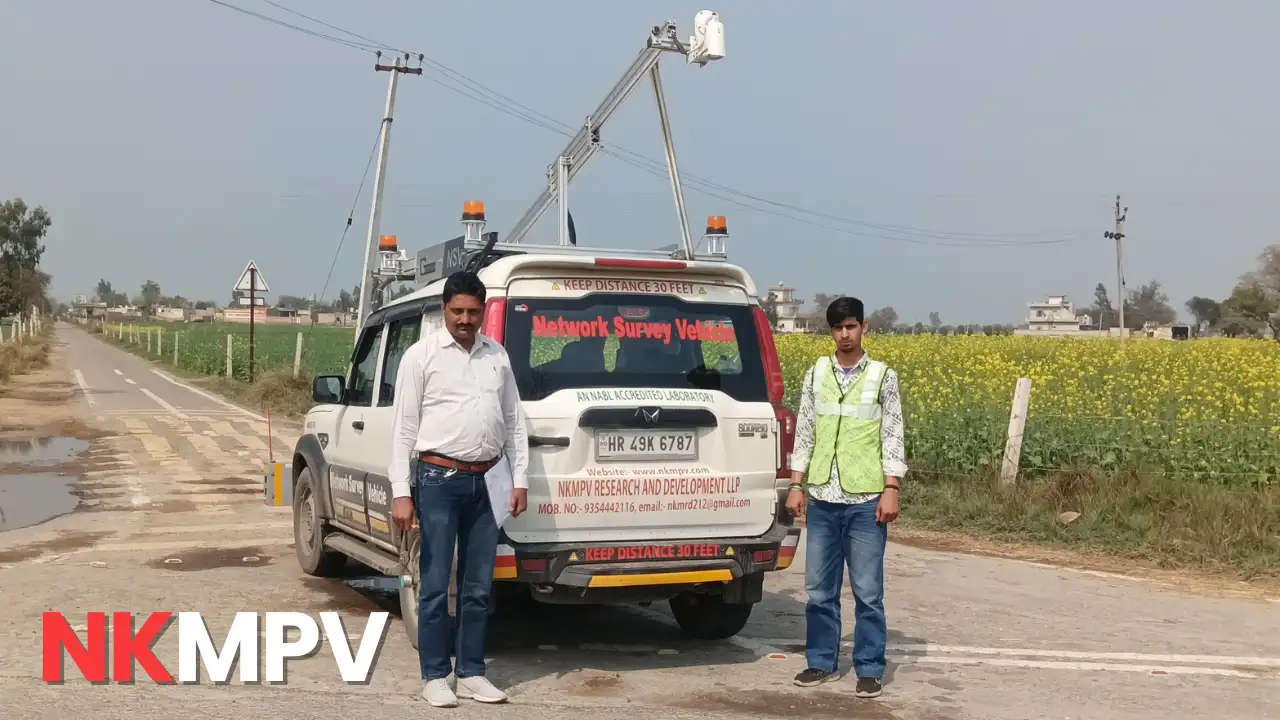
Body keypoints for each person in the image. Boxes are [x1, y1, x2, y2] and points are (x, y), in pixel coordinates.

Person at [388, 270, 529, 708]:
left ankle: (471, 672)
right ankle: (435, 674)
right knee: (433, 583)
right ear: (443, 310)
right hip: (437, 481)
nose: (465, 320)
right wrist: (401, 490)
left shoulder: (497, 356)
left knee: (478, 586)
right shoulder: (421, 357)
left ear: (483, 311)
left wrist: (520, 479)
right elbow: (403, 429)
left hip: (488, 481)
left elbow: (514, 422)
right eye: (457, 311)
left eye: (473, 311)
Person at [786, 296, 905, 699]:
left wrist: (891, 488)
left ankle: (869, 667)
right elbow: (805, 429)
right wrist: (796, 484)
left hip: (866, 498)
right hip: (821, 495)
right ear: (830, 331)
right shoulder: (817, 373)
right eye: (838, 328)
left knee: (868, 592)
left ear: (864, 327)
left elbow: (892, 434)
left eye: (851, 326)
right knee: (820, 590)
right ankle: (821, 661)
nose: (845, 334)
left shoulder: (881, 376)